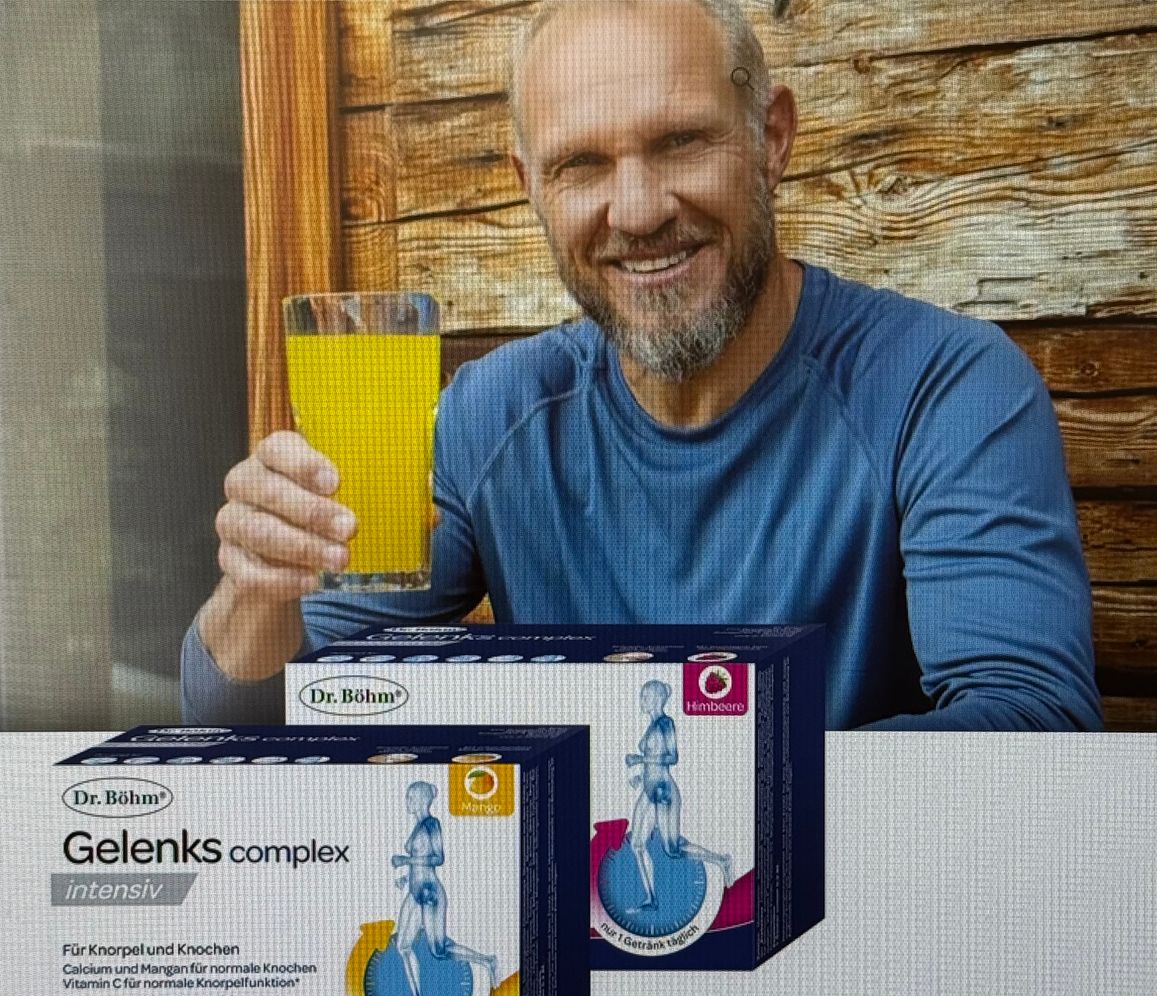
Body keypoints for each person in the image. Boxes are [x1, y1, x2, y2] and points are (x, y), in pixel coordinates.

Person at [182, 0, 1101, 731]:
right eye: (582, 163)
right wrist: (257, 594)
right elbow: (257, 713)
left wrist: (656, 767)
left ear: (770, 139)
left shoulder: (945, 387)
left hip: (857, 929)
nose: (638, 208)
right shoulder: (491, 412)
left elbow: (1029, 723)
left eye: (680, 141)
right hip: (569, 925)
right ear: (529, 184)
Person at [625, 679, 732, 911]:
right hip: (649, 788)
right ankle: (651, 900)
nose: (641, 700)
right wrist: (640, 776)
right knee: (637, 845)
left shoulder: (665, 723)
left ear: (657, 699)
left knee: (672, 850)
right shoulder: (652, 725)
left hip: (664, 790)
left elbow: (672, 757)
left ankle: (722, 860)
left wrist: (640, 759)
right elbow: (652, 764)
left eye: (645, 696)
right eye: (642, 696)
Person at [392, 780, 498, 996]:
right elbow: (421, 864)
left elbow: (438, 858)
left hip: (430, 892)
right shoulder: (418, 826)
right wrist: (407, 876)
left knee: (439, 951)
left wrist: (405, 860)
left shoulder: (432, 824)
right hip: (415, 890)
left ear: (421, 799)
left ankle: (488, 960)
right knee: (402, 945)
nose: (407, 802)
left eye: (410, 797)